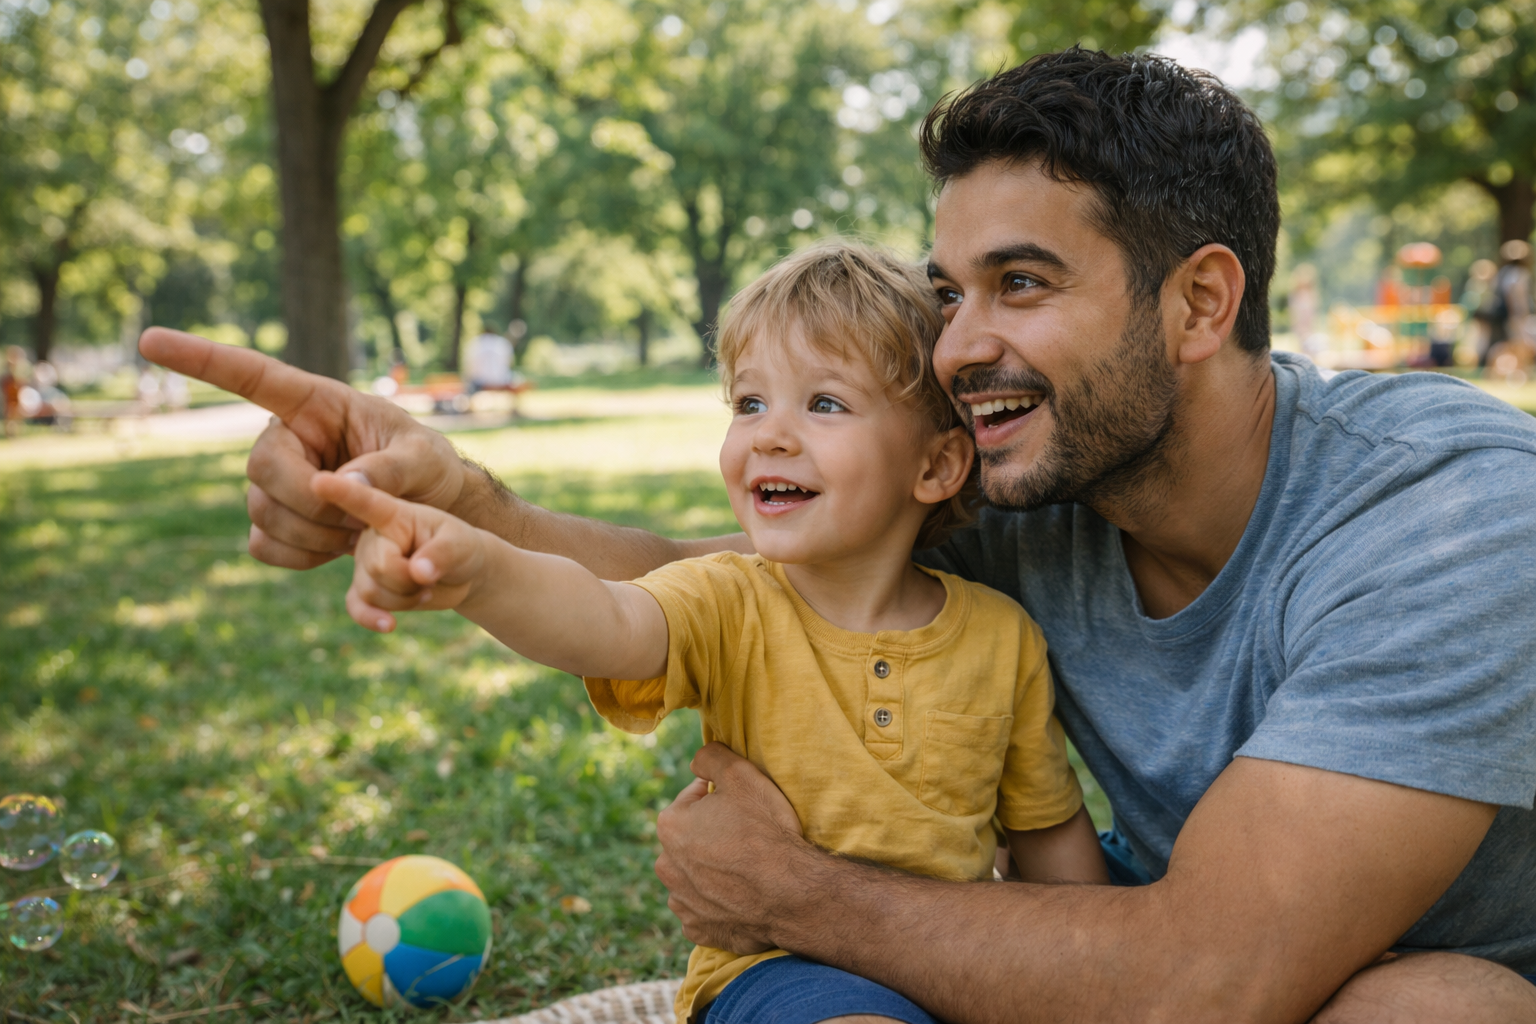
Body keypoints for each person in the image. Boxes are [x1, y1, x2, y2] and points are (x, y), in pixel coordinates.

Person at [139, 49, 1536, 1023]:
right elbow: (752, 596)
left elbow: (1201, 987)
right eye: (950, 288)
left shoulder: (1448, 516)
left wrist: (802, 895)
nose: (962, 343)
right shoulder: (1034, 481)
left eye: (1023, 283)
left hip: (1410, 981)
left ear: (1200, 301)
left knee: (1427, 1009)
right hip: (1228, 977)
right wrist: (463, 510)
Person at [309, 243, 1108, 1024]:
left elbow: (1048, 833)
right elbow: (602, 617)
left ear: (935, 467)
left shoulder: (1003, 638)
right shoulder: (729, 601)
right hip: (780, 975)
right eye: (750, 403)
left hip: (952, 962)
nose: (770, 434)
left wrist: (1082, 981)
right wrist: (482, 571)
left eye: (823, 403)